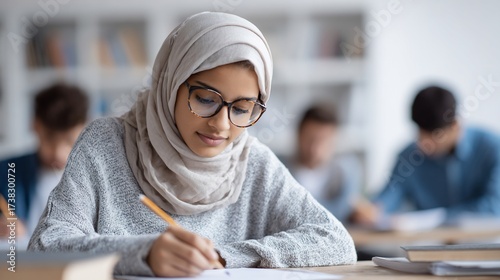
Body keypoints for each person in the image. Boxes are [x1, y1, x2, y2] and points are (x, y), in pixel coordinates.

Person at [27, 12, 356, 277]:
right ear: (171, 83)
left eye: (242, 108)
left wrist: (223, 256)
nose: (221, 124)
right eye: (205, 99)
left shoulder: (254, 161)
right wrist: (144, 254)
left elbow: (335, 241)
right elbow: (45, 247)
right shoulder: (104, 144)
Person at [374, 85, 500, 222]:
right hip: (428, 241)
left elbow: (494, 205)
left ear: (455, 126)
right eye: (420, 133)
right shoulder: (410, 156)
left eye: (434, 135)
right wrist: (372, 211)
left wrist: (442, 217)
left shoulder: (492, 148)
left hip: (484, 240)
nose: (423, 143)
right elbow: (387, 199)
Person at [0, 83, 89, 239]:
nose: (58, 153)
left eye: (69, 140)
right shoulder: (7, 171)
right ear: (35, 126)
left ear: (84, 130)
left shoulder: (94, 178)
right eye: (49, 138)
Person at [282, 104, 364, 223]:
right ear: (298, 135)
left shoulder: (346, 170)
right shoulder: (279, 167)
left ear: (334, 141)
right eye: (310, 139)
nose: (314, 148)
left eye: (323, 141)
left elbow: (344, 209)